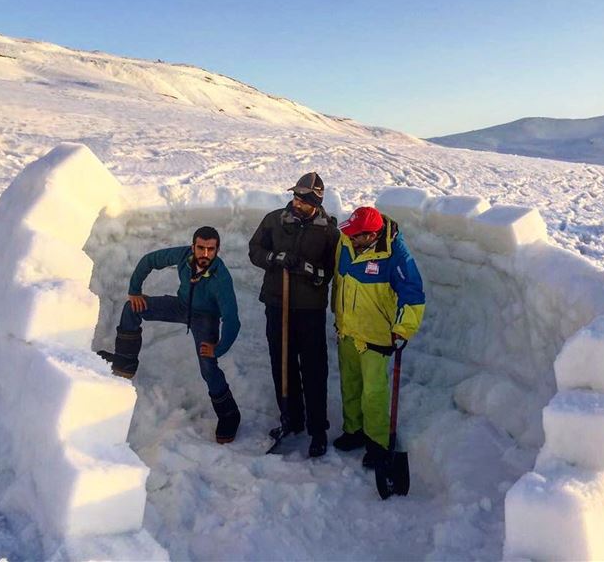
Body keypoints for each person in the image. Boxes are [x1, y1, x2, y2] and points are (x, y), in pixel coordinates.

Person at [97, 226, 242, 444]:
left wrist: (218, 348)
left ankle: (230, 416)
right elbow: (149, 261)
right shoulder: (183, 256)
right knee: (132, 308)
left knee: (208, 367)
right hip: (181, 306)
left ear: (217, 250)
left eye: (210, 249)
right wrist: (134, 290)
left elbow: (232, 320)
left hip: (205, 318)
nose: (205, 254)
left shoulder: (221, 279)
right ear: (193, 246)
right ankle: (125, 364)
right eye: (200, 248)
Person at [248, 172, 341, 458]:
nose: (296, 201)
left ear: (315, 201)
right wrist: (275, 259)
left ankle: (317, 429)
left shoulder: (328, 232)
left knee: (314, 369)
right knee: (282, 363)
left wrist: (307, 269)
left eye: (302, 199)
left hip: (310, 309)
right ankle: (291, 418)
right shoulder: (275, 220)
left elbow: (331, 272)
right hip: (277, 304)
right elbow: (254, 251)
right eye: (295, 196)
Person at [331, 206, 425, 468]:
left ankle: (378, 443)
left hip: (375, 335)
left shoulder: (395, 255)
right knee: (350, 385)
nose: (349, 237)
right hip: (347, 329)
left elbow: (413, 293)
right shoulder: (346, 243)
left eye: (355, 235)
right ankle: (354, 431)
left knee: (374, 393)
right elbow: (339, 282)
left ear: (371, 236)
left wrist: (403, 328)